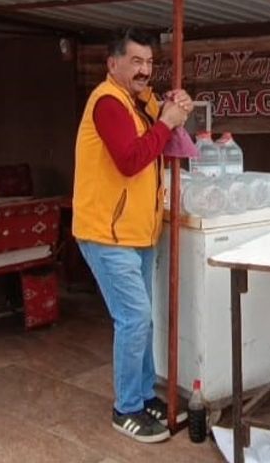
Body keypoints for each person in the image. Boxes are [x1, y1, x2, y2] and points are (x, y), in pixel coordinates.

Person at [73, 28, 193, 443]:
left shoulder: (139, 103)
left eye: (149, 63)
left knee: (141, 319)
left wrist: (176, 110)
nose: (144, 70)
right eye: (136, 61)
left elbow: (171, 138)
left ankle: (143, 396)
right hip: (106, 235)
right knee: (134, 318)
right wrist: (165, 123)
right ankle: (126, 408)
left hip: (136, 234)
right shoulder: (108, 102)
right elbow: (130, 160)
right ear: (113, 64)